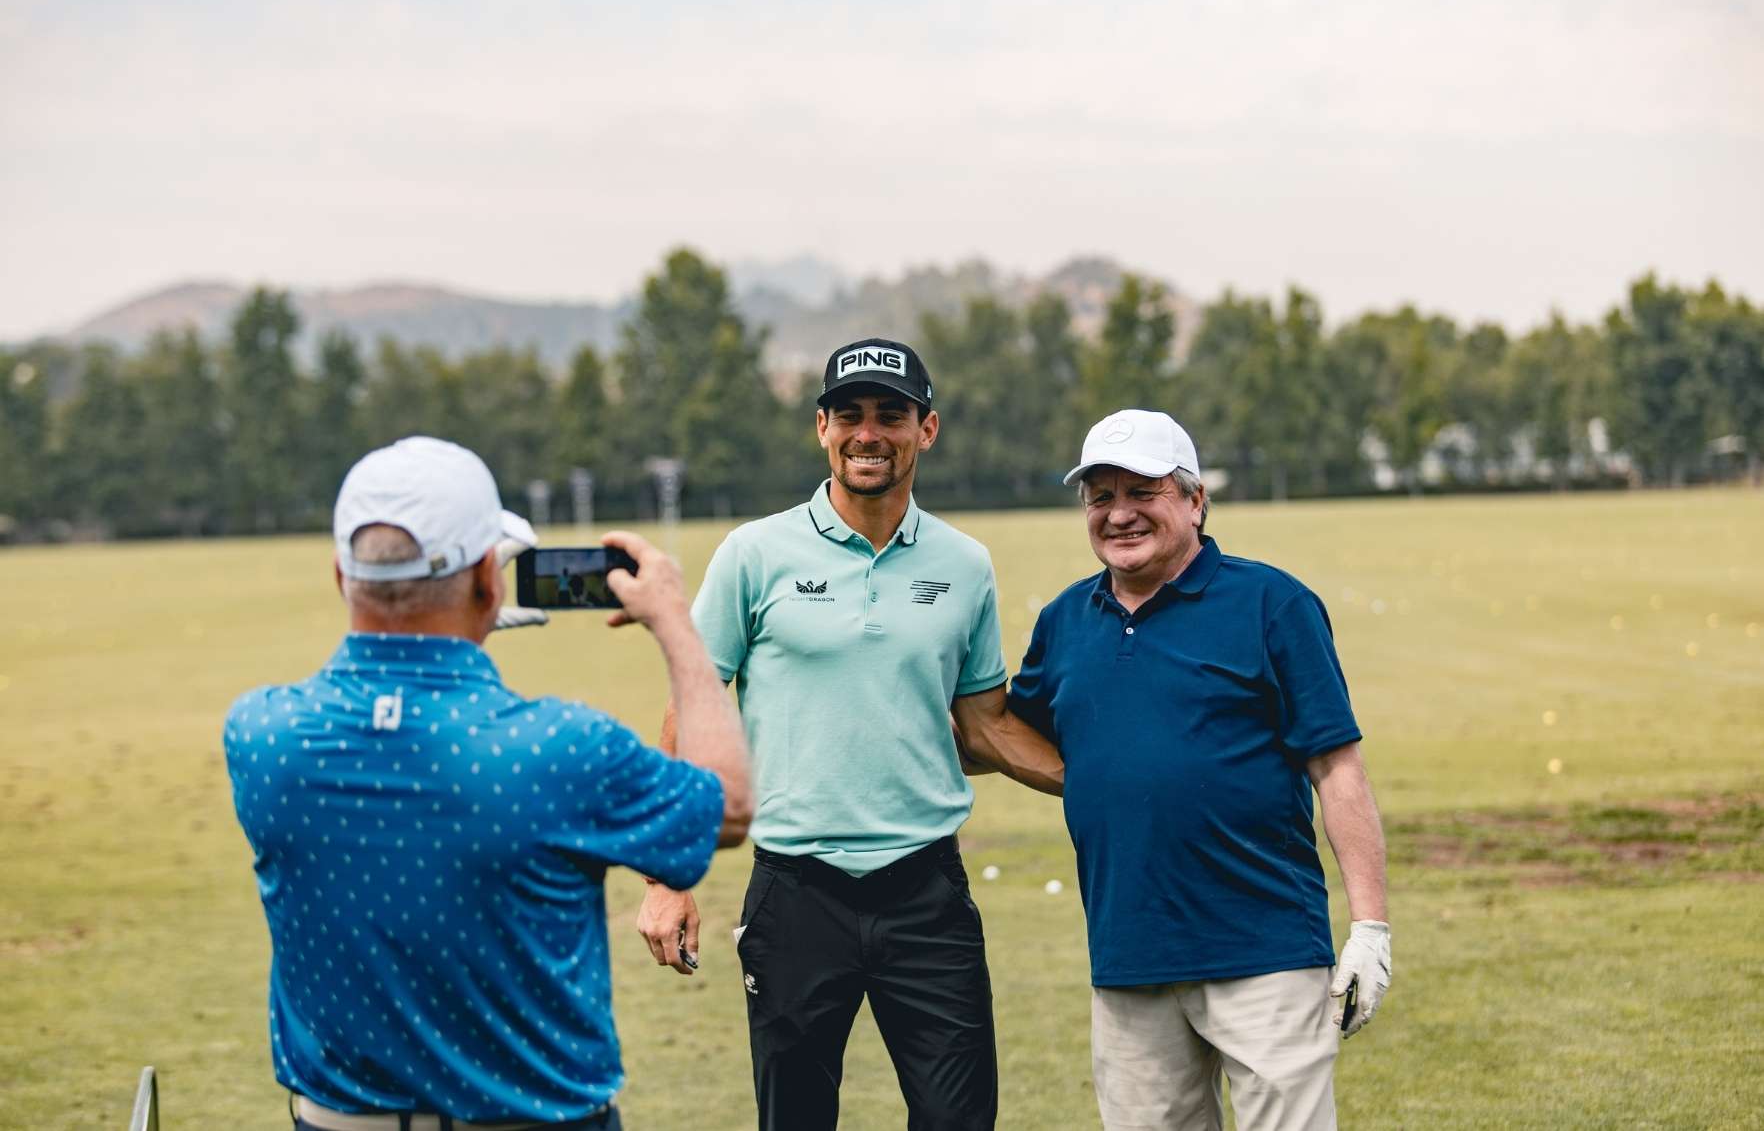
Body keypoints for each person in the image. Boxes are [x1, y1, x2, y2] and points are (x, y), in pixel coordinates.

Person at [222, 435, 753, 1131]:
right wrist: (678, 626)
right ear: (486, 576)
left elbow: (405, 730)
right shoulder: (564, 748)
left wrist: (449, 631)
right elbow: (728, 806)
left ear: (340, 575)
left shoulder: (262, 735)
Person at [635, 339, 1063, 1131]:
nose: (870, 433)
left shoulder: (965, 565)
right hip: (796, 890)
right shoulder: (753, 554)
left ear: (926, 430)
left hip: (927, 891)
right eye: (851, 415)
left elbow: (985, 725)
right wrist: (667, 875)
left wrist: (1108, 775)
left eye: (891, 416)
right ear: (822, 429)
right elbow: (691, 703)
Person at [976, 409, 1391, 1131]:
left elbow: (1337, 769)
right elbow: (1003, 734)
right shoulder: (1067, 620)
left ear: (1196, 500)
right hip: (1129, 955)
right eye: (1100, 496)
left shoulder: (1273, 603)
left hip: (1267, 953)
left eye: (1144, 490)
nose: (1120, 513)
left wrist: (1371, 928)